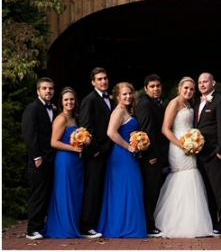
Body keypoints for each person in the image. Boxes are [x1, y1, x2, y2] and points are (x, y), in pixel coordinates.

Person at [154, 76, 213, 237]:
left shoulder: (189, 105)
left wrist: (194, 142)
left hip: (190, 144)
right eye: (186, 88)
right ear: (179, 88)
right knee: (183, 175)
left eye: (191, 89)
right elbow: (165, 129)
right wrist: (182, 145)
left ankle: (193, 221)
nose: (188, 91)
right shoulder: (174, 103)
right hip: (178, 146)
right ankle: (176, 220)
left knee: (192, 175)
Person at [96, 82, 147, 238]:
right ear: (118, 96)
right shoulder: (118, 112)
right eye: (124, 94)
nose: (128, 96)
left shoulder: (127, 110)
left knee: (131, 188)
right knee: (125, 189)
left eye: (130, 93)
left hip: (128, 154)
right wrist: (128, 146)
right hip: (121, 155)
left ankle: (129, 224)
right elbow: (111, 132)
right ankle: (123, 227)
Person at [42, 88, 84, 238]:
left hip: (75, 161)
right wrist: (73, 148)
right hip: (65, 160)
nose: (69, 102)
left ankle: (73, 224)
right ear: (61, 102)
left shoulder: (74, 118)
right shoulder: (61, 119)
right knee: (65, 193)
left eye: (71, 99)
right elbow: (54, 142)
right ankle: (64, 227)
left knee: (74, 193)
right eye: (66, 100)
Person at [194, 72, 221, 235]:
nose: (202, 85)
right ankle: (212, 223)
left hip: (214, 154)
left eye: (205, 81)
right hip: (200, 154)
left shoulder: (220, 101)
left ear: (213, 83)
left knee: (219, 191)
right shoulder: (197, 102)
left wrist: (220, 151)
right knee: (207, 191)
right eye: (200, 82)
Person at [78, 67, 112, 238]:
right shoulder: (89, 100)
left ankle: (98, 223)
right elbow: (85, 129)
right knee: (92, 189)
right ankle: (86, 226)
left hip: (109, 152)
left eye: (105, 78)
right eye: (99, 79)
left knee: (102, 188)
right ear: (93, 82)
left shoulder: (110, 100)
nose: (103, 81)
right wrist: (96, 150)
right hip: (95, 154)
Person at [21, 77, 56, 240]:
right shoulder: (32, 109)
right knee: (37, 194)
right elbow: (30, 135)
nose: (48, 91)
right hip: (39, 160)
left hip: (51, 159)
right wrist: (36, 157)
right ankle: (32, 229)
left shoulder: (53, 109)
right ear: (38, 91)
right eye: (44, 88)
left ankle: (40, 226)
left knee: (46, 194)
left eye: (50, 88)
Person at [135, 74, 169, 237]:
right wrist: (151, 155)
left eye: (158, 86)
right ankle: (149, 225)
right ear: (146, 88)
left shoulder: (156, 104)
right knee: (150, 192)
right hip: (151, 157)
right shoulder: (145, 105)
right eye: (152, 86)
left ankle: (151, 221)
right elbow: (147, 131)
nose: (156, 89)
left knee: (154, 190)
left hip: (159, 155)